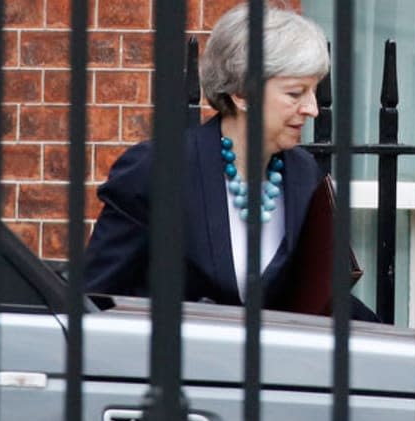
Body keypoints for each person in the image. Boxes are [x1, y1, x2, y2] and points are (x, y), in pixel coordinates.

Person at [84, 3, 378, 321]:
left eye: (313, 92)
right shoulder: (157, 169)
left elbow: (311, 298)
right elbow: (96, 296)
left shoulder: (304, 173)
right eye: (296, 93)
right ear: (241, 93)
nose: (312, 108)